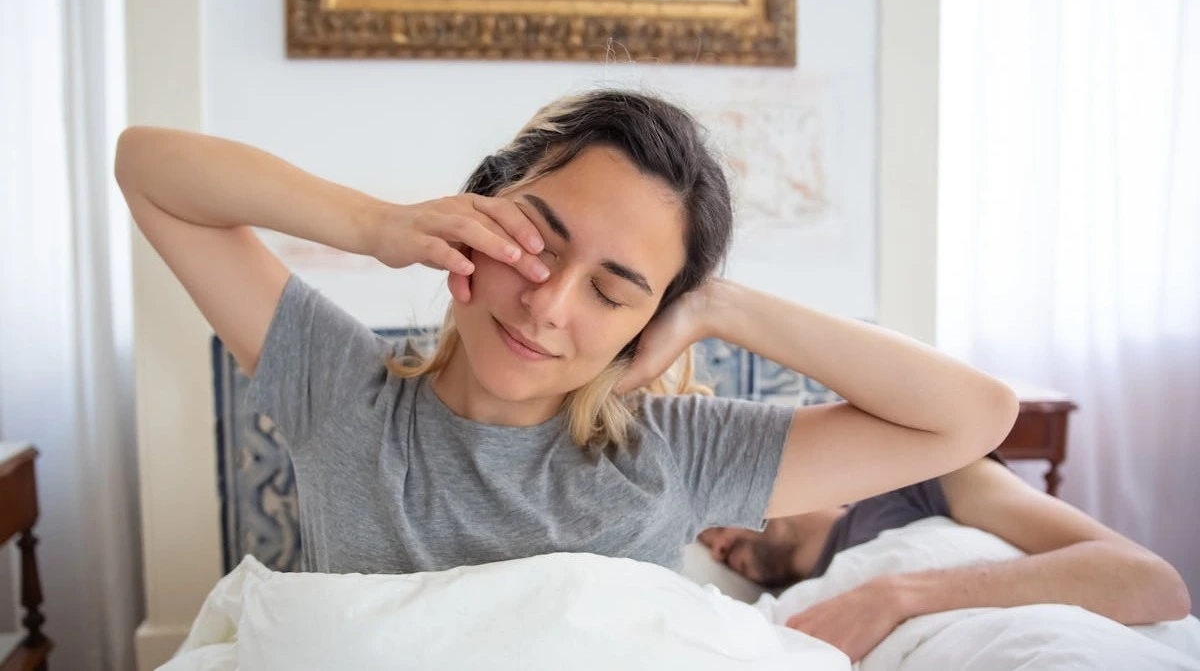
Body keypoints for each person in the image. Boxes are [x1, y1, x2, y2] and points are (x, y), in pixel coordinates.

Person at [114, 89, 1018, 577]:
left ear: (650, 318)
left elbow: (972, 417)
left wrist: (721, 306)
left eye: (615, 289)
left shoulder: (675, 453)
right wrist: (374, 224)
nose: (548, 305)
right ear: (478, 206)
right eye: (538, 243)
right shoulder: (341, 393)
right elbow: (146, 164)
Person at [699, 454, 1192, 662]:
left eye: (715, 524)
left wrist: (896, 595)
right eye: (708, 549)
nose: (718, 549)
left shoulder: (922, 485)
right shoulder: (773, 615)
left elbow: (1154, 585)